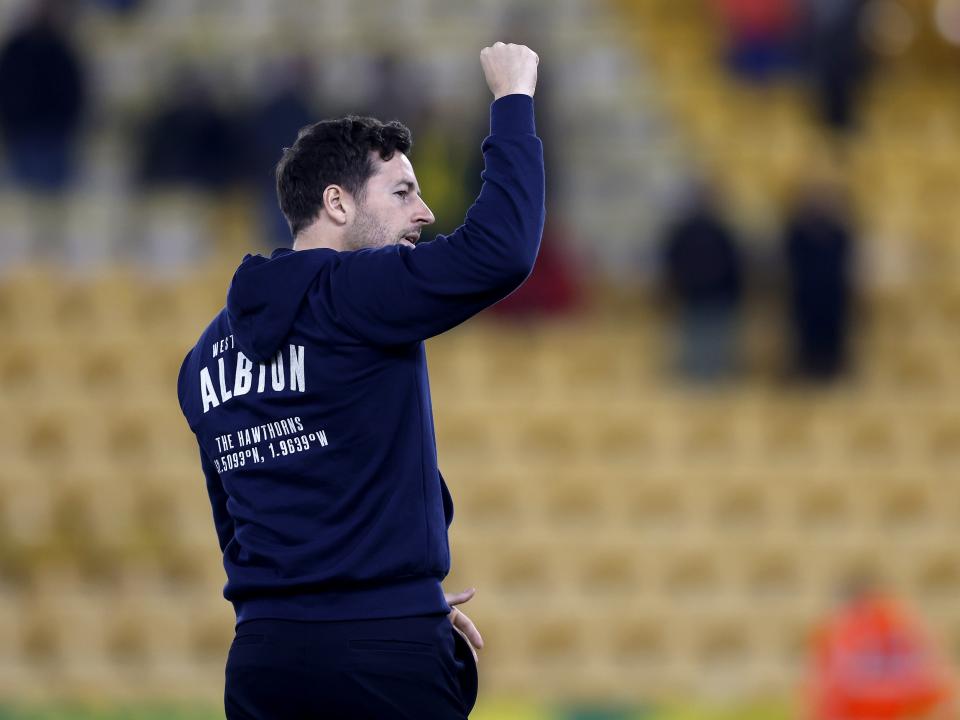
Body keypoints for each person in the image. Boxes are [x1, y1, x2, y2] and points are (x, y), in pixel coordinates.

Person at [176, 43, 543, 719]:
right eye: (404, 192)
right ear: (337, 204)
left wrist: (401, 600)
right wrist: (513, 101)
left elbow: (240, 529)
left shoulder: (202, 360)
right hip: (382, 658)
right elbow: (503, 250)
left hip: (264, 658)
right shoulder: (357, 292)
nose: (426, 212)